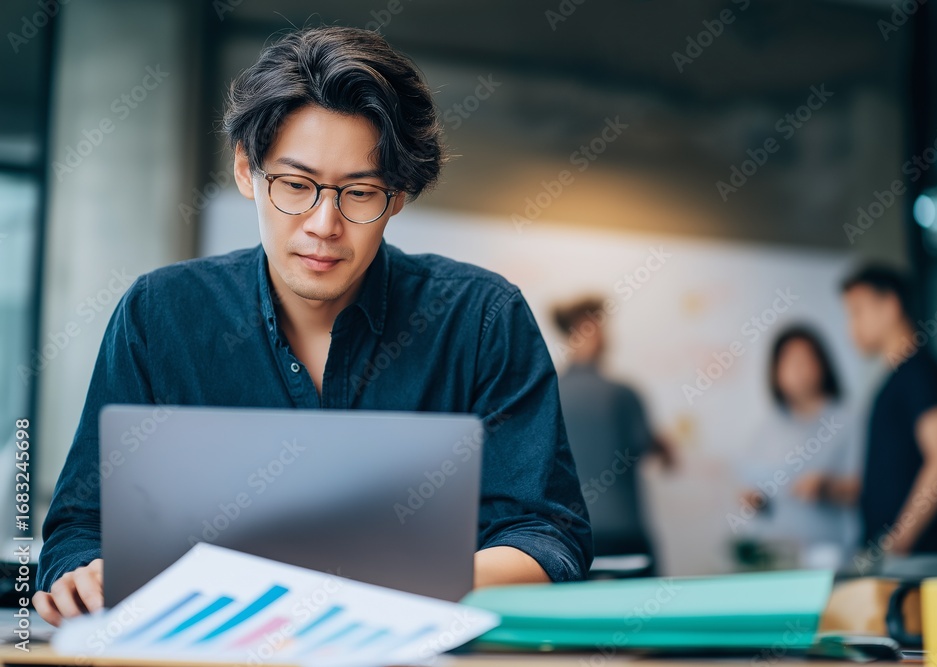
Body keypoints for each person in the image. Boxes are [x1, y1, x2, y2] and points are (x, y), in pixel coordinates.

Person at [34, 26, 592, 626]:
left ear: (398, 195)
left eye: (360, 192)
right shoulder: (161, 314)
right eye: (296, 186)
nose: (324, 223)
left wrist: (369, 587)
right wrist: (85, 574)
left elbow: (546, 536)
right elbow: (79, 529)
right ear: (248, 172)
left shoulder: (481, 319)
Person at [841, 265, 937, 558]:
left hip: (917, 562)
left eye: (858, 311)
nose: (851, 326)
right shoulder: (895, 379)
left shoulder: (920, 374)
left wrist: (899, 539)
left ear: (890, 305)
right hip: (895, 561)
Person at [552, 297, 672, 574]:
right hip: (623, 533)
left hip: (566, 536)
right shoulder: (623, 394)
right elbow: (645, 448)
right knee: (645, 614)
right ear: (588, 329)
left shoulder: (549, 393)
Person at [736, 325, 861, 563]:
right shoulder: (767, 428)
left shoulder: (848, 420)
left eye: (805, 360)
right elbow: (754, 487)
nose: (798, 370)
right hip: (775, 554)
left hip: (832, 554)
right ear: (775, 371)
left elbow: (869, 486)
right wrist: (754, 499)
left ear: (822, 364)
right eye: (789, 362)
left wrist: (826, 487)